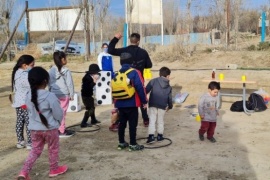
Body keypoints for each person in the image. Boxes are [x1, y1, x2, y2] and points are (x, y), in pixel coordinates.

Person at [17, 67, 68, 180]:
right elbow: (58, 112)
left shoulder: (28, 96)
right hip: (50, 129)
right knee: (53, 149)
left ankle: (24, 172)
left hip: (34, 129)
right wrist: (58, 122)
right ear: (45, 81)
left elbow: (30, 111)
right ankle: (54, 169)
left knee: (35, 151)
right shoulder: (50, 96)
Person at [108, 32, 152, 127]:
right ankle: (145, 119)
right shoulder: (143, 52)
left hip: (123, 80)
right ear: (138, 41)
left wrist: (115, 38)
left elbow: (110, 50)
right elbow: (149, 65)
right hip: (138, 78)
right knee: (141, 97)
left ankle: (117, 122)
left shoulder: (124, 51)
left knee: (122, 98)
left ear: (130, 40)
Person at [116, 52, 148, 151]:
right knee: (132, 124)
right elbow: (140, 88)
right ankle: (133, 144)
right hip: (132, 103)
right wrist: (144, 101)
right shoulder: (135, 72)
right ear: (131, 62)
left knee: (122, 123)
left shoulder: (117, 73)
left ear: (121, 62)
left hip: (120, 103)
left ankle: (121, 143)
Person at [11, 55, 35, 150]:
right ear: (25, 65)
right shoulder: (25, 75)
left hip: (18, 102)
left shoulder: (17, 73)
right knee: (29, 122)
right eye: (32, 65)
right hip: (25, 102)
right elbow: (31, 85)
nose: (33, 66)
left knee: (20, 122)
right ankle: (30, 142)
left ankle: (20, 141)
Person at [49, 51, 75, 137]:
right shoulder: (66, 70)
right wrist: (71, 94)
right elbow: (69, 83)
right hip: (64, 95)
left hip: (53, 94)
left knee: (55, 112)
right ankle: (62, 131)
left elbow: (49, 82)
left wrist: (50, 92)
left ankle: (56, 129)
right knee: (62, 113)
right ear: (63, 59)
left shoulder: (51, 70)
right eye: (65, 58)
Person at [145, 67, 173, 144]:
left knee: (152, 120)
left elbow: (146, 91)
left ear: (159, 74)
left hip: (153, 104)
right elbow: (169, 98)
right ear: (167, 76)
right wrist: (170, 106)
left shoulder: (153, 81)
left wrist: (144, 101)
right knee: (160, 120)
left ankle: (151, 137)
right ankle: (160, 136)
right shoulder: (169, 86)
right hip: (163, 105)